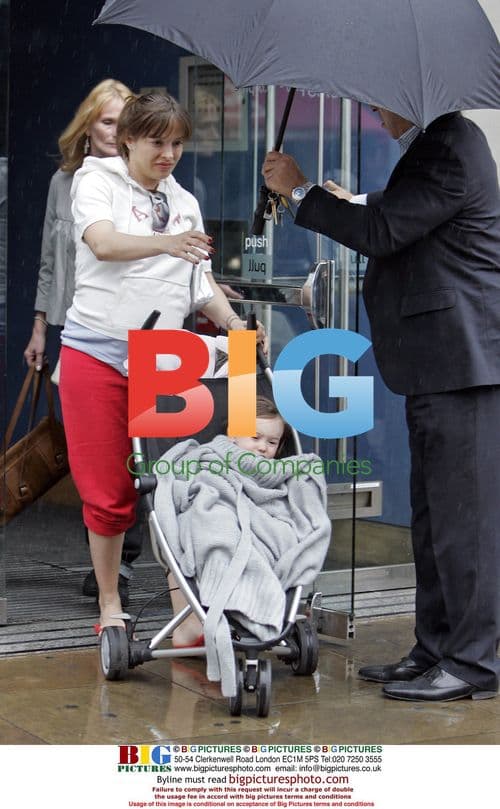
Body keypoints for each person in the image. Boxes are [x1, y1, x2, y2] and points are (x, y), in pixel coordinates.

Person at [262, 106, 500, 702]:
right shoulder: (438, 147)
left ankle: (472, 663)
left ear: (414, 96)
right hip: (439, 362)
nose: (373, 110)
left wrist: (300, 190)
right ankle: (436, 646)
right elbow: (401, 213)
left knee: (462, 524)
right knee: (432, 520)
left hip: (462, 363)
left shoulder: (449, 143)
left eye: (378, 101)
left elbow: (387, 231)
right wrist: (358, 198)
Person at [58, 92, 266, 634]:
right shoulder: (96, 180)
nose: (169, 153)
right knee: (108, 493)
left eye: (177, 142)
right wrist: (168, 242)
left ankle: (187, 610)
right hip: (96, 352)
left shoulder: (186, 201)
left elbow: (199, 286)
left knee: (179, 489)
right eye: (158, 141)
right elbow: (102, 243)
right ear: (128, 138)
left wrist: (235, 325)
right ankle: (109, 604)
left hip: (164, 363)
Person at [22, 79, 140, 607]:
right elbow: (52, 257)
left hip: (133, 328)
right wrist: (41, 326)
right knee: (92, 449)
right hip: (78, 327)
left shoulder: (144, 184)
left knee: (135, 446)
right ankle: (101, 554)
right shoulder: (62, 184)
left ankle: (124, 559)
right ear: (88, 125)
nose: (116, 132)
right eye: (108, 121)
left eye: (124, 122)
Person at [155, 395, 330, 695]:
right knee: (212, 525)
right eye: (255, 437)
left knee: (285, 533)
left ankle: (259, 590)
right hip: (221, 511)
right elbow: (191, 486)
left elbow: (284, 502)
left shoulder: (280, 474)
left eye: (272, 442)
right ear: (233, 435)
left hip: (261, 525)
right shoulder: (210, 457)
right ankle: (238, 587)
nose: (264, 447)